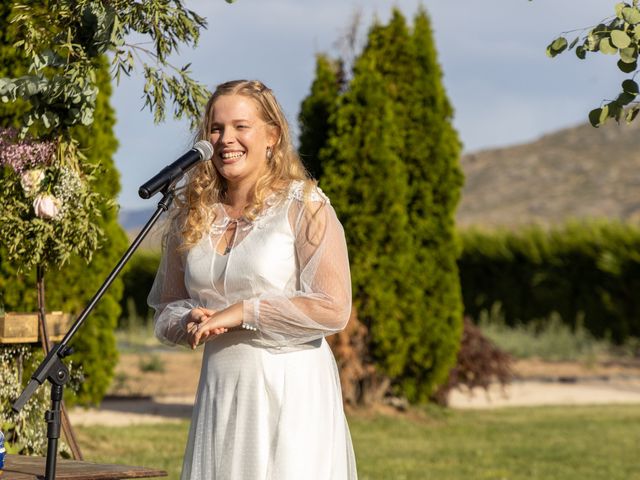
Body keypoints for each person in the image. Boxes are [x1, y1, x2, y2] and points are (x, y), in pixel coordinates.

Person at [148, 80, 358, 479]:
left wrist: (243, 312)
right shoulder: (190, 215)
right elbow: (164, 311)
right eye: (216, 128)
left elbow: (333, 308)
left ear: (272, 136)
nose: (226, 139)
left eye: (241, 126)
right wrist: (188, 319)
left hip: (288, 390)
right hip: (221, 388)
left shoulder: (304, 205)